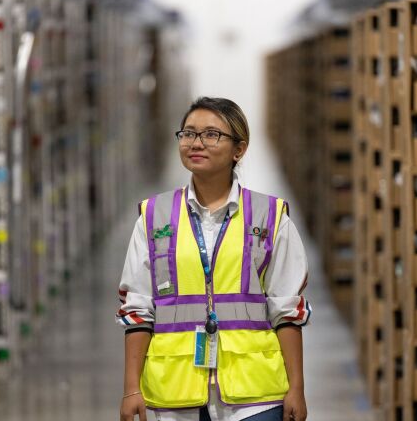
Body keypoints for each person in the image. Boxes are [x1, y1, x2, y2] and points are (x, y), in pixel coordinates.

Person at [116, 97, 312, 421]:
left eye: (211, 134)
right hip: (176, 397)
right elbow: (138, 308)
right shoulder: (153, 217)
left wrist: (297, 389)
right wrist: (131, 389)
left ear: (239, 149)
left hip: (255, 397)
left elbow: (287, 309)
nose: (196, 143)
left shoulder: (269, 216)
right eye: (189, 134)